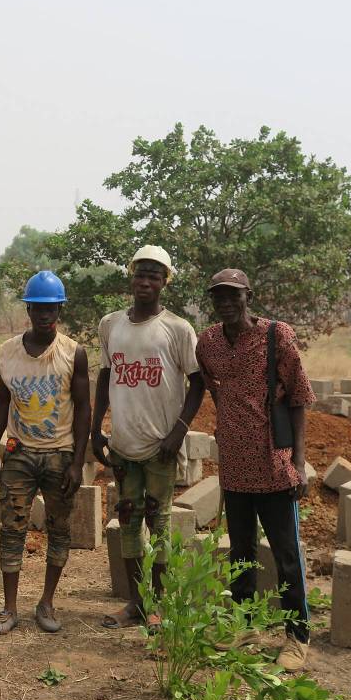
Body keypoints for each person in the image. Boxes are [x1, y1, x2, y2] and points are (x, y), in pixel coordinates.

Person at [196, 268, 315, 671]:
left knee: (286, 555)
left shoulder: (276, 336)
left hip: (274, 465)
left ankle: (297, 636)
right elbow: (216, 389)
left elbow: (298, 397)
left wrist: (298, 463)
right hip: (234, 466)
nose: (226, 302)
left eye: (233, 295)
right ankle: (243, 625)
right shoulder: (207, 343)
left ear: (248, 295)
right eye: (219, 296)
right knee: (241, 553)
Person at [93, 245, 205, 629]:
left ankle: (157, 604)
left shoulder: (177, 329)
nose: (145, 281)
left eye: (153, 276)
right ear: (131, 277)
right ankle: (135, 604)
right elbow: (106, 376)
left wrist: (180, 429)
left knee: (159, 524)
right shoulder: (110, 325)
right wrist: (96, 430)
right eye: (140, 274)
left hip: (161, 446)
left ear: (164, 282)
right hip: (123, 446)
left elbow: (198, 381)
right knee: (127, 523)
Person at [0, 271, 91, 636]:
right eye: (38, 307)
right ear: (28, 307)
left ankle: (46, 602)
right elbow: (0, 402)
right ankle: (9, 608)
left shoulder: (73, 353)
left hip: (60, 454)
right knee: (11, 528)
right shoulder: (8, 351)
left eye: (51, 307)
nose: (44, 314)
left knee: (59, 530)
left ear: (60, 308)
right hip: (19, 454)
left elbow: (84, 408)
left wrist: (77, 462)